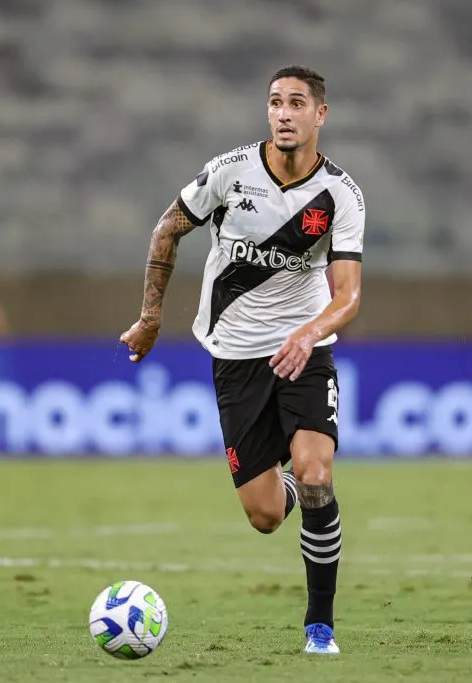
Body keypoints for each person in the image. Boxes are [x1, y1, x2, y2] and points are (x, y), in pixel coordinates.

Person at [119, 66, 364, 655]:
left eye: (296, 103)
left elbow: (349, 296)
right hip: (235, 357)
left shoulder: (340, 195)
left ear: (320, 115)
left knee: (318, 475)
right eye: (275, 102)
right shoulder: (230, 173)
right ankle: (286, 475)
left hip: (304, 352)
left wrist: (310, 333)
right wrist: (150, 317)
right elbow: (166, 229)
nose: (283, 113)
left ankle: (320, 627)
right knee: (264, 515)